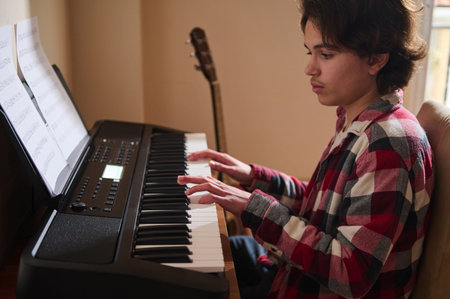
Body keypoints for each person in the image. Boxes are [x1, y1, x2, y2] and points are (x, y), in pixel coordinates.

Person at [177, 0, 433, 298]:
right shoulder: (358, 121)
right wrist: (252, 177)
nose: (309, 68)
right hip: (290, 274)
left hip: (311, 289)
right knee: (192, 254)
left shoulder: (388, 141)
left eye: (325, 54)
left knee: (183, 283)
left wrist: (254, 208)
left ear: (376, 59)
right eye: (310, 52)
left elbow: (350, 271)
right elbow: (320, 206)